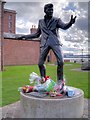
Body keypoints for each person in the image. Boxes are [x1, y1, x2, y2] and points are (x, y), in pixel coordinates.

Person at [17, 3, 76, 90]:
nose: (51, 11)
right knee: (40, 63)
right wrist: (24, 36)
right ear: (45, 11)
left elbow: (64, 26)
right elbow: (37, 34)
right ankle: (43, 80)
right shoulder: (41, 21)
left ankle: (60, 81)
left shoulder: (57, 20)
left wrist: (70, 23)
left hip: (55, 42)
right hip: (44, 43)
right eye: (49, 10)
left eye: (52, 10)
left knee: (61, 62)